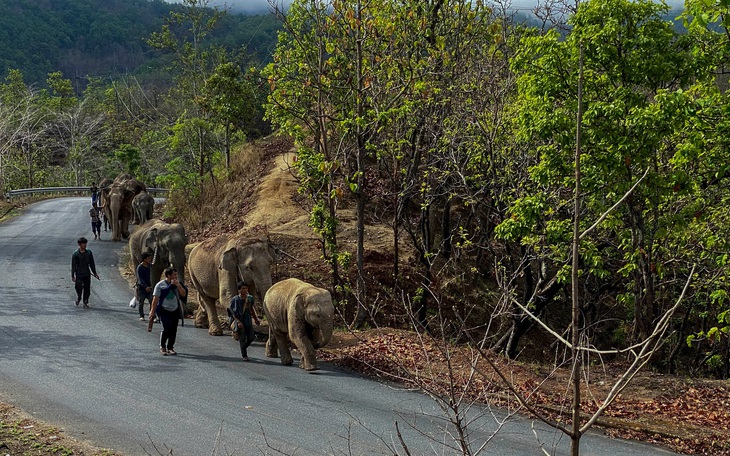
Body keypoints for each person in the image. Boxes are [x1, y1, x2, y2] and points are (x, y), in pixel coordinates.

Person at [147, 267, 188, 356]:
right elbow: (155, 299)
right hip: (164, 310)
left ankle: (170, 347)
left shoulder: (177, 285)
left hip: (175, 309)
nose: (175, 276)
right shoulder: (160, 285)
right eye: (174, 275)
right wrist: (152, 312)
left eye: (176, 275)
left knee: (174, 329)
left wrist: (178, 285)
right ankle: (162, 346)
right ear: (168, 276)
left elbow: (183, 294)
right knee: (166, 328)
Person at [228, 281, 260, 361]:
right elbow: (232, 312)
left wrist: (256, 319)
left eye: (246, 288)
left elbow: (251, 309)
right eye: (243, 288)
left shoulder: (250, 298)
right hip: (240, 320)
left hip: (247, 319)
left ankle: (243, 347)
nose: (245, 290)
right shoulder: (236, 299)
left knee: (251, 337)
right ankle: (244, 355)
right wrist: (238, 322)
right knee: (242, 338)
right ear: (239, 290)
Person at [71, 237, 100, 308]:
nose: (84, 245)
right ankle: (79, 297)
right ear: (79, 244)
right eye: (83, 243)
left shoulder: (89, 253)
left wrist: (95, 273)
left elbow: (92, 264)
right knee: (78, 287)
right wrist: (72, 275)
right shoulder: (75, 254)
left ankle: (85, 301)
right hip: (79, 274)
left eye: (85, 243)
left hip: (87, 273)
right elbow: (73, 265)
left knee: (87, 288)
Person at [135, 252, 154, 321]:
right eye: (148, 258)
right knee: (141, 302)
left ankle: (152, 316)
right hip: (142, 288)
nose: (150, 260)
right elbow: (140, 279)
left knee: (152, 301)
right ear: (144, 259)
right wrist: (145, 287)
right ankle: (141, 316)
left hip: (149, 287)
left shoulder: (149, 266)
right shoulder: (140, 268)